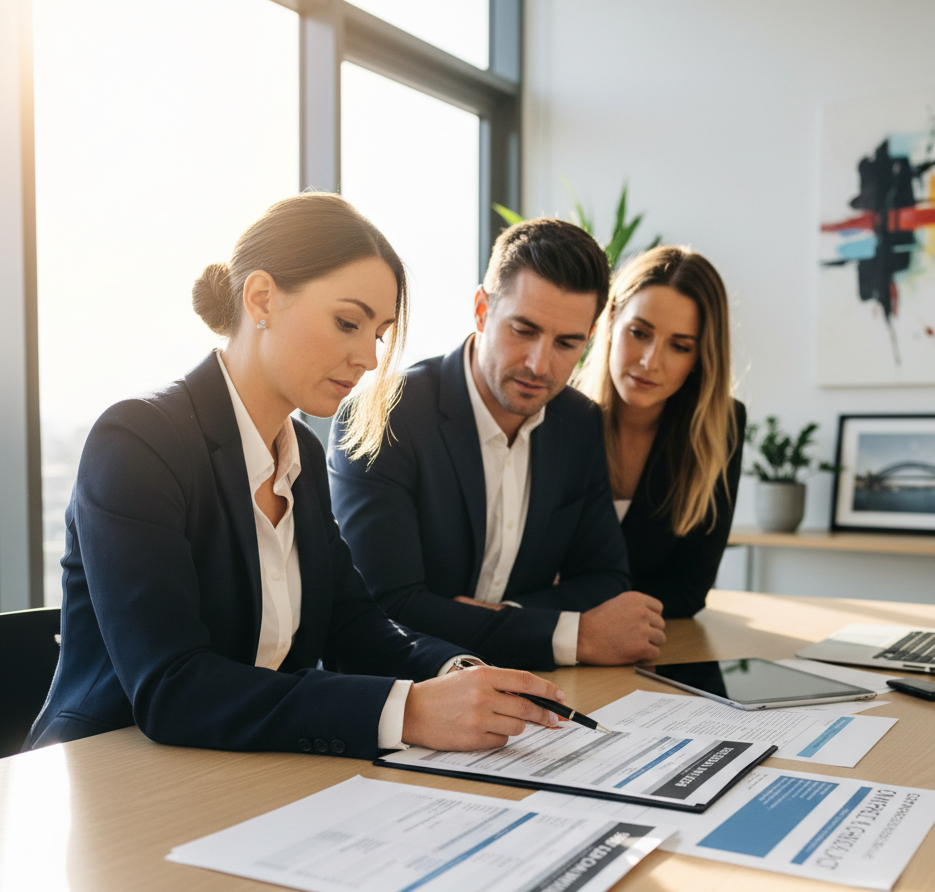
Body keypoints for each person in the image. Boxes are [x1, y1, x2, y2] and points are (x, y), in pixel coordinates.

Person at [25, 193, 567, 758]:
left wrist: (460, 674)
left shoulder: (301, 451)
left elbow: (353, 624)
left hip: (247, 768)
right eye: (347, 322)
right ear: (261, 298)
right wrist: (407, 711)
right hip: (115, 772)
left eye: (378, 334)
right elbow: (172, 686)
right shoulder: (138, 441)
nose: (369, 358)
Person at [329, 218, 665, 671]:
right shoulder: (384, 417)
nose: (539, 364)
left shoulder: (579, 422)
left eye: (567, 343)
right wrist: (571, 636)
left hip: (522, 686)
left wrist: (505, 619)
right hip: (408, 688)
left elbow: (605, 577)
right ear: (482, 310)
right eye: (523, 330)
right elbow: (386, 607)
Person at [573, 246, 744, 618]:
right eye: (639, 332)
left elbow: (688, 591)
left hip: (652, 645)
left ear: (699, 358)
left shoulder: (719, 427)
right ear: (611, 320)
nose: (651, 362)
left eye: (679, 346)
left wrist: (576, 603)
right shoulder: (560, 415)